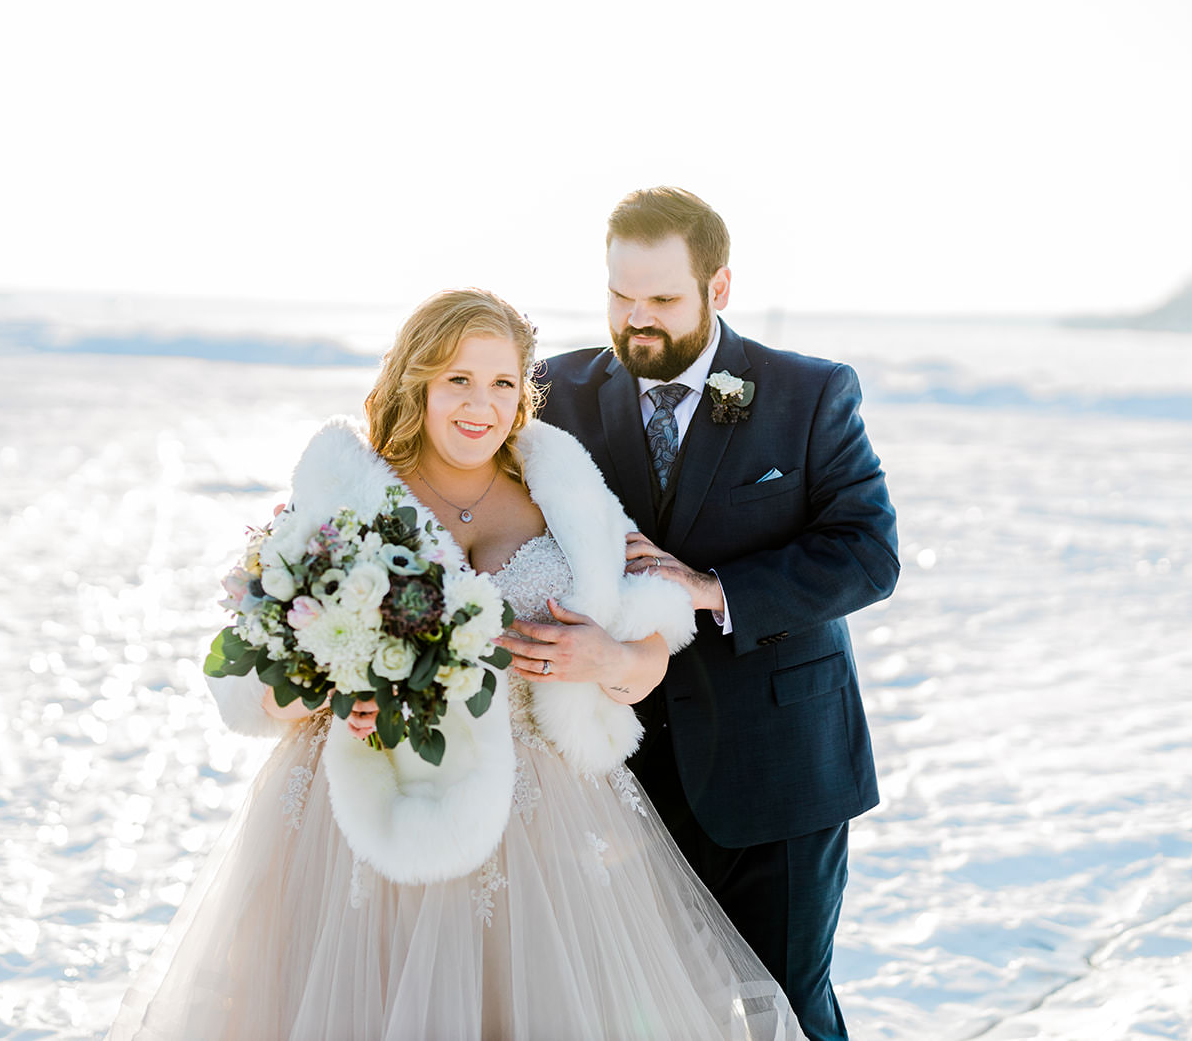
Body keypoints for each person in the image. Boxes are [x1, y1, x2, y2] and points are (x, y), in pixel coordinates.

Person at [107, 288, 804, 1039]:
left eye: (503, 382)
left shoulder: (564, 494)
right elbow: (253, 673)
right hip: (362, 809)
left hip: (542, 816)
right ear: (419, 382)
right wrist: (327, 694)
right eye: (459, 380)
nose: (482, 405)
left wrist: (611, 654)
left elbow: (655, 639)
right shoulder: (346, 496)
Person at [534, 188, 900, 1040]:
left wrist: (714, 589)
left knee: (790, 1012)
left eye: (662, 299)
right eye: (621, 297)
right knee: (656, 1015)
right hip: (622, 781)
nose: (638, 321)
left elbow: (868, 552)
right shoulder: (557, 394)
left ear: (719, 287)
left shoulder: (809, 394)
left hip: (782, 774)